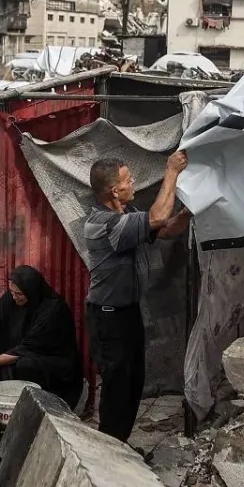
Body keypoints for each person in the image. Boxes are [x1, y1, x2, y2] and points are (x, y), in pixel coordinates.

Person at [83, 151, 192, 441]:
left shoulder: (126, 215)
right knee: (118, 388)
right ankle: (109, 450)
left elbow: (166, 229)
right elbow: (157, 217)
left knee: (133, 383)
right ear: (114, 190)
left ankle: (120, 446)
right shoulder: (106, 223)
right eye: (129, 179)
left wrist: (187, 213)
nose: (134, 183)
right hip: (107, 318)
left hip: (127, 313)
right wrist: (171, 172)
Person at [0, 265, 83, 407]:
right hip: (21, 348)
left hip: (52, 362)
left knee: (25, 365)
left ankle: (32, 405)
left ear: (31, 291)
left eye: (19, 294)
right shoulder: (11, 298)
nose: (14, 297)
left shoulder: (53, 310)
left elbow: (29, 349)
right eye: (12, 292)